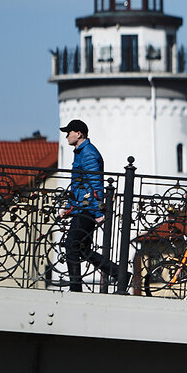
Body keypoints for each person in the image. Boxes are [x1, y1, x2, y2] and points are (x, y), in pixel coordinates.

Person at [60, 119, 119, 291]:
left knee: (71, 244)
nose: (66, 136)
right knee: (82, 248)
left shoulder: (88, 154)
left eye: (68, 132)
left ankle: (75, 288)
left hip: (87, 208)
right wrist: (70, 208)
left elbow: (94, 184)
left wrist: (97, 212)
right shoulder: (81, 152)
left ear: (79, 134)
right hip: (81, 206)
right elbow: (79, 184)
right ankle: (119, 273)